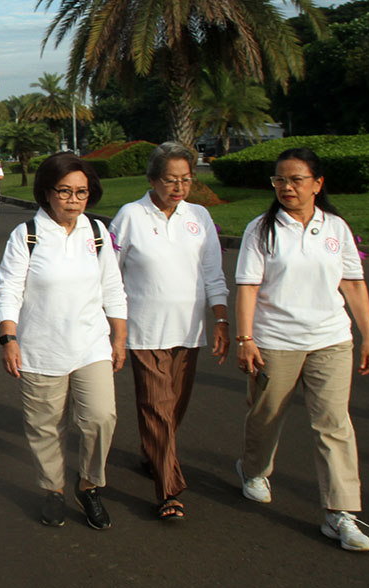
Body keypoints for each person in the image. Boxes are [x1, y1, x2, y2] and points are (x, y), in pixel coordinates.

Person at [234, 147, 369, 552]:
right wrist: (246, 339)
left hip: (331, 340)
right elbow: (248, 287)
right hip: (276, 342)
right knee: (266, 415)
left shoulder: (335, 227)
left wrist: (368, 334)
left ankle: (340, 514)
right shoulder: (261, 230)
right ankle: (254, 470)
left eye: (296, 179)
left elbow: (352, 282)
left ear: (318, 183)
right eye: (279, 180)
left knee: (334, 425)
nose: (287, 187)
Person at [0, 152, 127, 530]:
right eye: (65, 191)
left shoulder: (98, 233)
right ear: (47, 192)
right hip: (40, 349)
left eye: (81, 192)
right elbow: (9, 290)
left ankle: (88, 485)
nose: (73, 199)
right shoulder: (28, 236)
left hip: (91, 345)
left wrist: (119, 336)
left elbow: (113, 288)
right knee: (45, 426)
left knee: (101, 417)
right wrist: (9, 337)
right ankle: (53, 490)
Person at [109, 142, 228, 520]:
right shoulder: (130, 216)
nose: (178, 187)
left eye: (185, 180)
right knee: (157, 407)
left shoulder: (199, 218)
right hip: (144, 331)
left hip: (188, 331)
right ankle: (168, 491)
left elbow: (213, 273)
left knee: (172, 408)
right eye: (170, 180)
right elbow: (108, 272)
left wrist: (221, 319)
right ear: (152, 180)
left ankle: (154, 454)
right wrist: (114, 327)